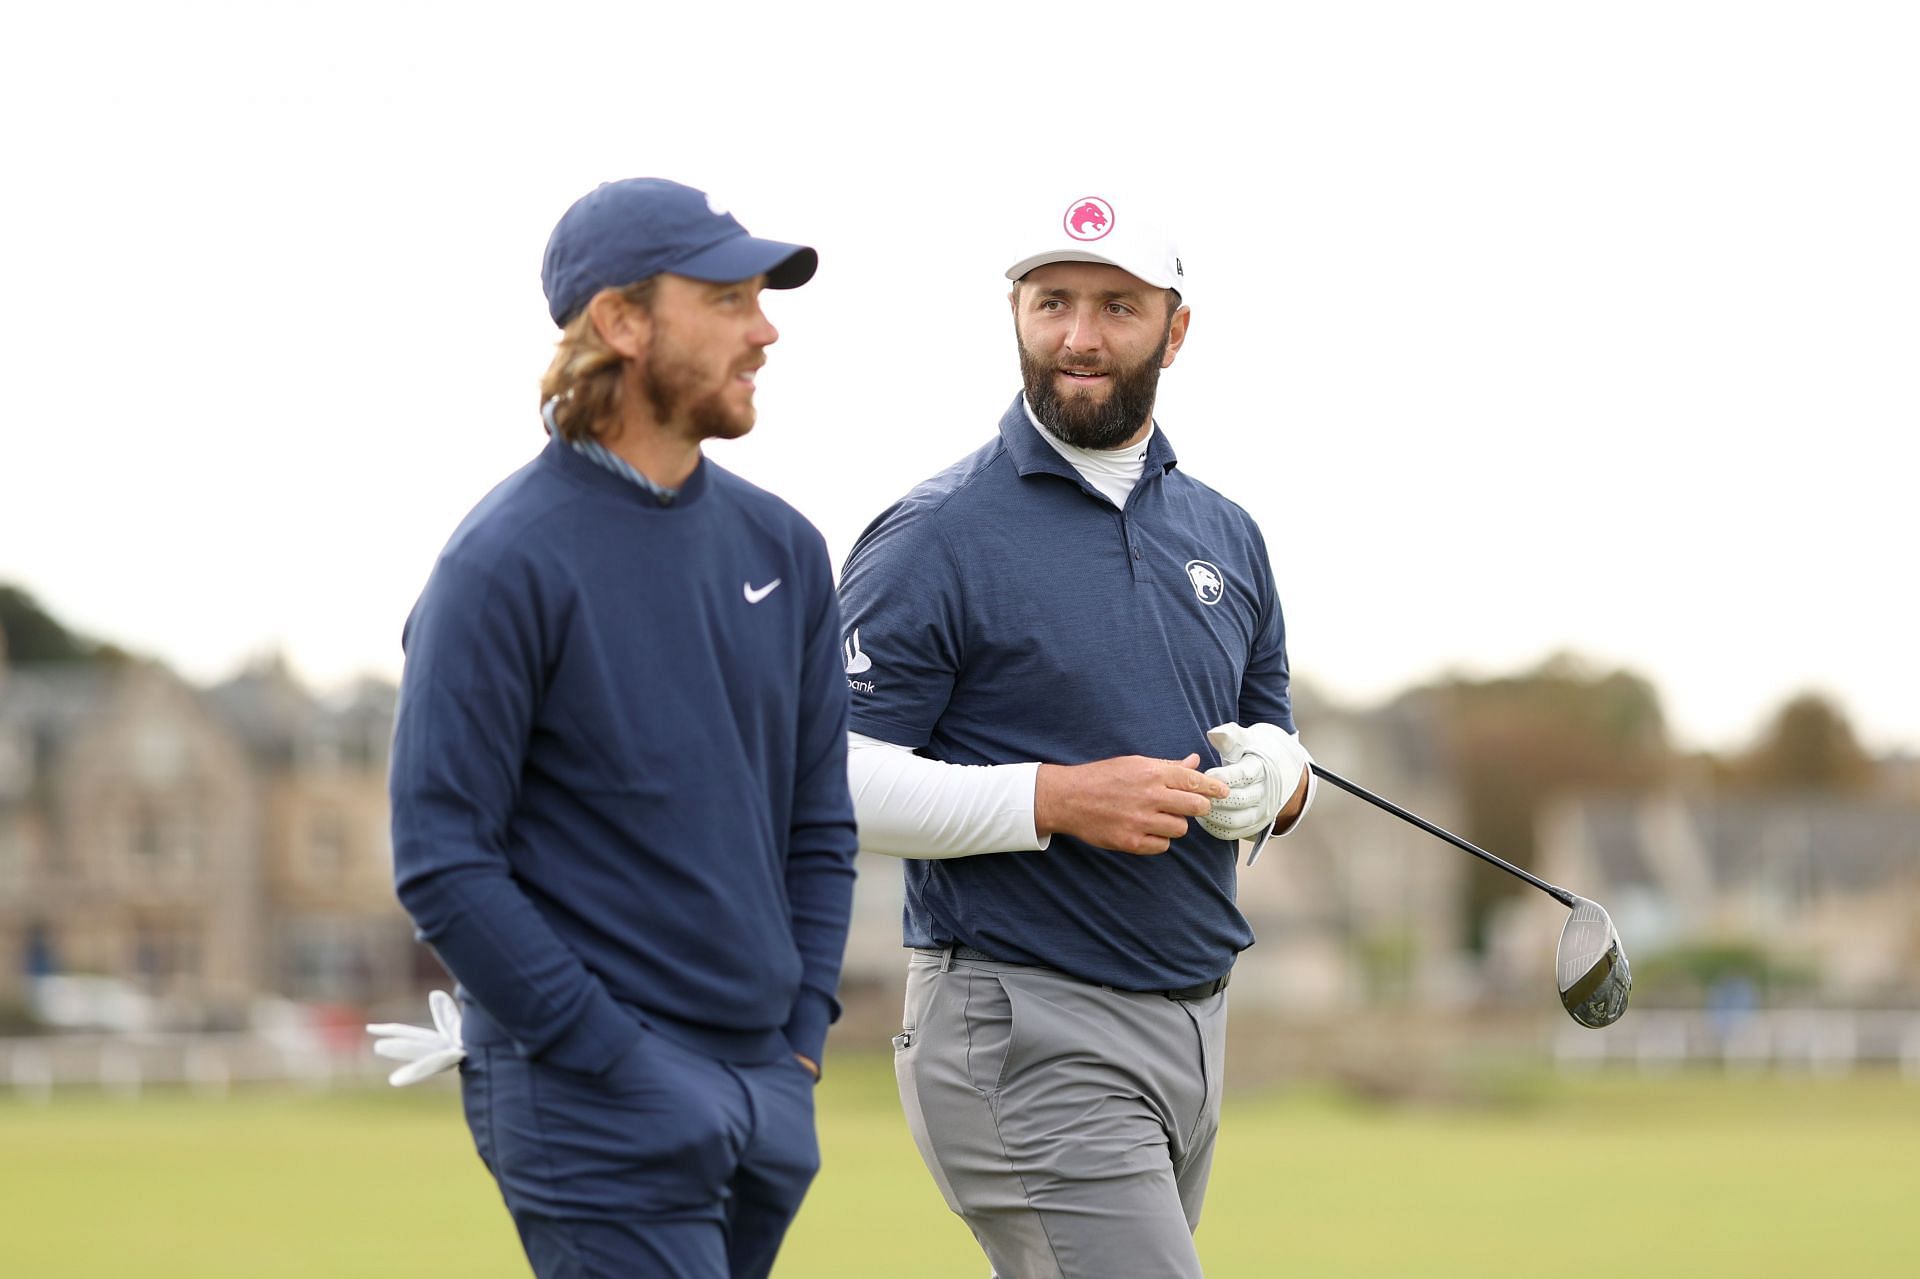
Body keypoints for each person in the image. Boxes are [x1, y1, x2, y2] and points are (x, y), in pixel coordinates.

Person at [384, 177, 858, 1279]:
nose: (766, 327)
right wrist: (615, 1060)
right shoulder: (501, 561)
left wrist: (795, 1048)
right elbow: (443, 858)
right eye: (730, 298)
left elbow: (817, 825)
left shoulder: (785, 549)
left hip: (761, 1096)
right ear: (623, 321)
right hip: (595, 1097)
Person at [837, 192, 1316, 1278]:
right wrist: (1051, 799)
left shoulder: (1225, 533)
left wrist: (1282, 787)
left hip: (1195, 1020)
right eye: (1052, 302)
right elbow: (829, 778)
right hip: (1023, 1019)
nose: (1080, 336)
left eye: (1117, 305)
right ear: (1016, 314)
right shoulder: (935, 535)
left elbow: (1276, 735)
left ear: (1175, 329)